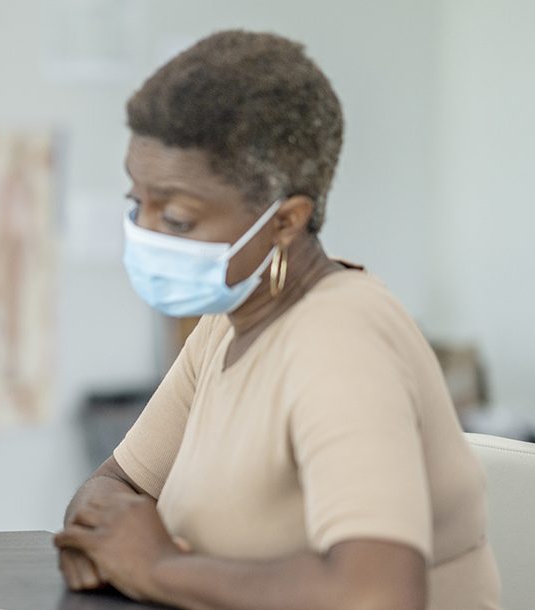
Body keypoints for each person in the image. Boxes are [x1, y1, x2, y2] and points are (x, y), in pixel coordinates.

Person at [55, 30, 500, 609]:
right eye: (137, 204)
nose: (146, 232)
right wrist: (104, 536)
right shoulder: (229, 316)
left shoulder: (342, 341)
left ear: (286, 221)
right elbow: (115, 485)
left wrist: (158, 566)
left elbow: (377, 594)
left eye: (180, 218)